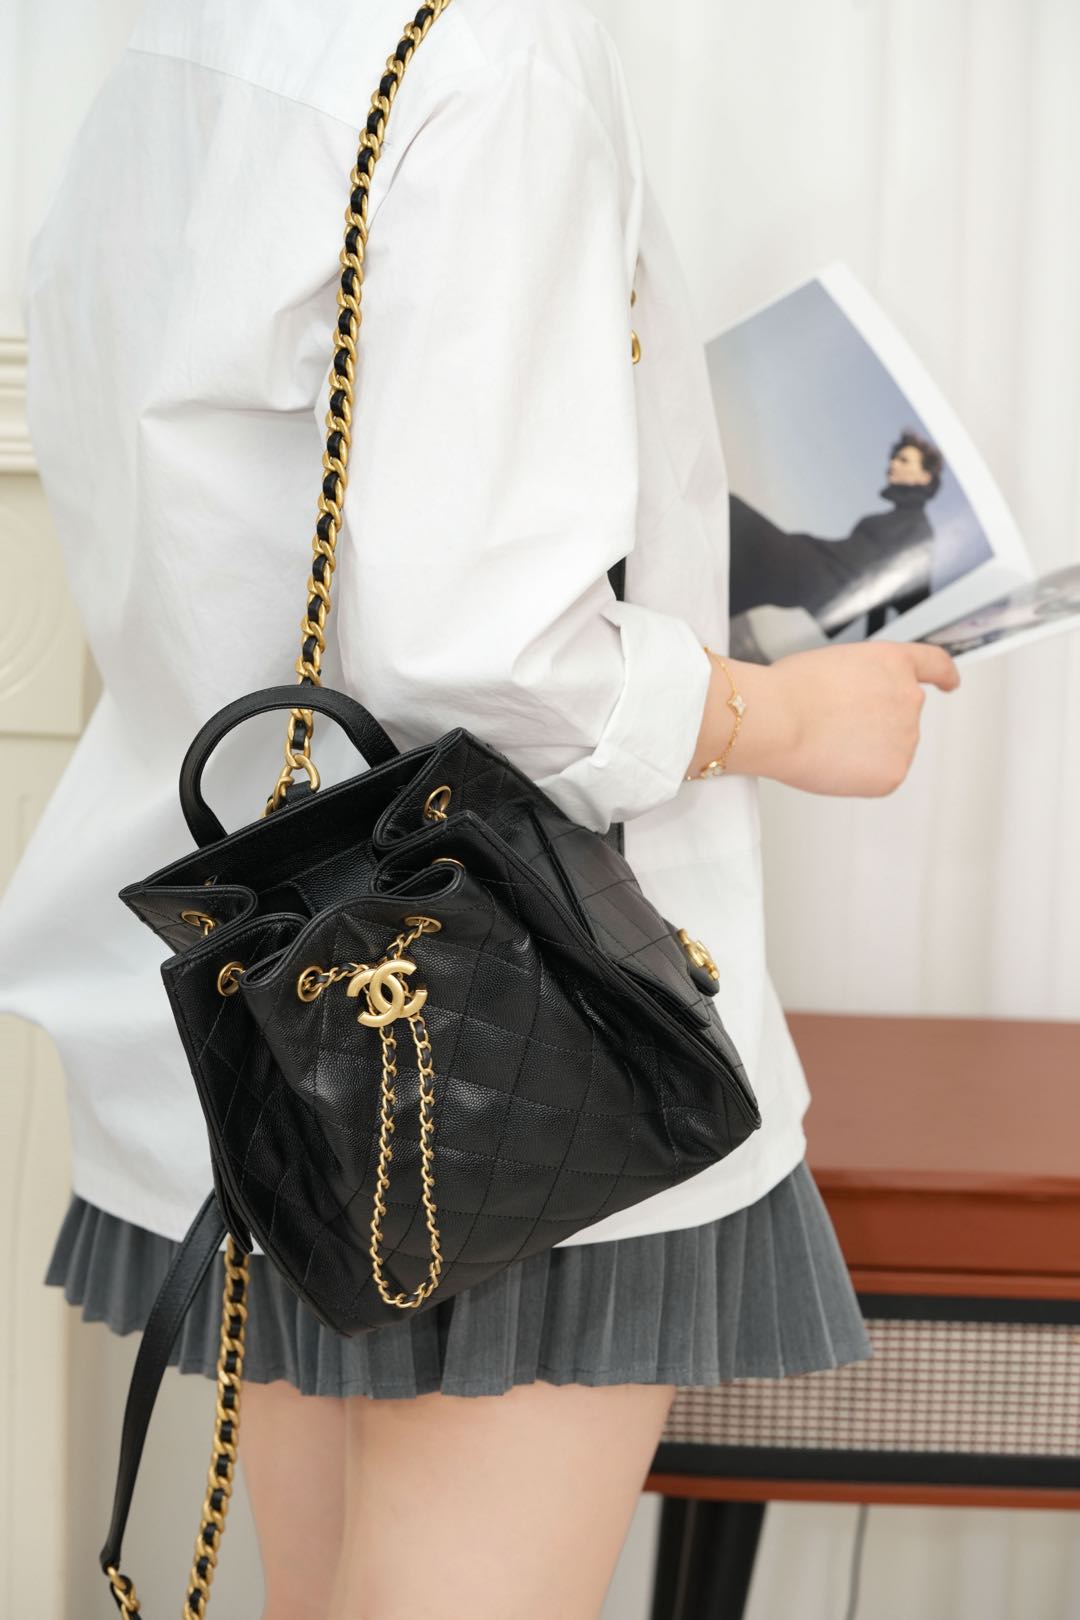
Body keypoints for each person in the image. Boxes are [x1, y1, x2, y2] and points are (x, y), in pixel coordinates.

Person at [0, 2, 959, 1616]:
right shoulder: (498, 52)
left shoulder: (186, 36)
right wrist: (793, 714)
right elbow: (486, 656)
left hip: (261, 1009)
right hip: (496, 1044)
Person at [730, 430, 945, 638]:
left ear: (924, 477)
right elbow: (882, 592)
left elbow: (904, 594)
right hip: (806, 566)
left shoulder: (919, 529)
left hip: (810, 573)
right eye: (895, 458)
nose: (893, 463)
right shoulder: (898, 518)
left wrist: (873, 641)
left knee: (733, 513)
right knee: (734, 588)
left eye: (904, 460)